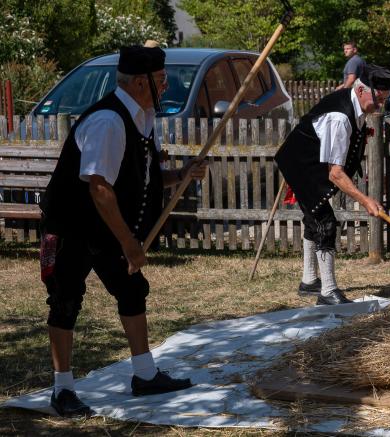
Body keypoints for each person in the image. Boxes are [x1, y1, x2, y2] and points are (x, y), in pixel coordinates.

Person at [39, 45, 207, 417]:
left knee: (132, 290)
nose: (165, 87)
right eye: (161, 81)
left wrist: (182, 175)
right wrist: (130, 243)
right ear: (139, 83)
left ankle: (145, 375)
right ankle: (62, 389)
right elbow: (99, 187)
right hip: (73, 226)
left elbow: (141, 178)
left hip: (106, 227)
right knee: (65, 300)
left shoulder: (143, 118)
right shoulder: (108, 121)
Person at [275, 64, 390, 305]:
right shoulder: (339, 118)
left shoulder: (357, 107)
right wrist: (365, 200)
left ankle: (310, 280)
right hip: (301, 164)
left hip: (310, 161)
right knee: (324, 221)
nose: (381, 104)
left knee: (314, 216)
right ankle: (328, 291)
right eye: (378, 98)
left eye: (385, 99)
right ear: (362, 90)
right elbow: (335, 173)